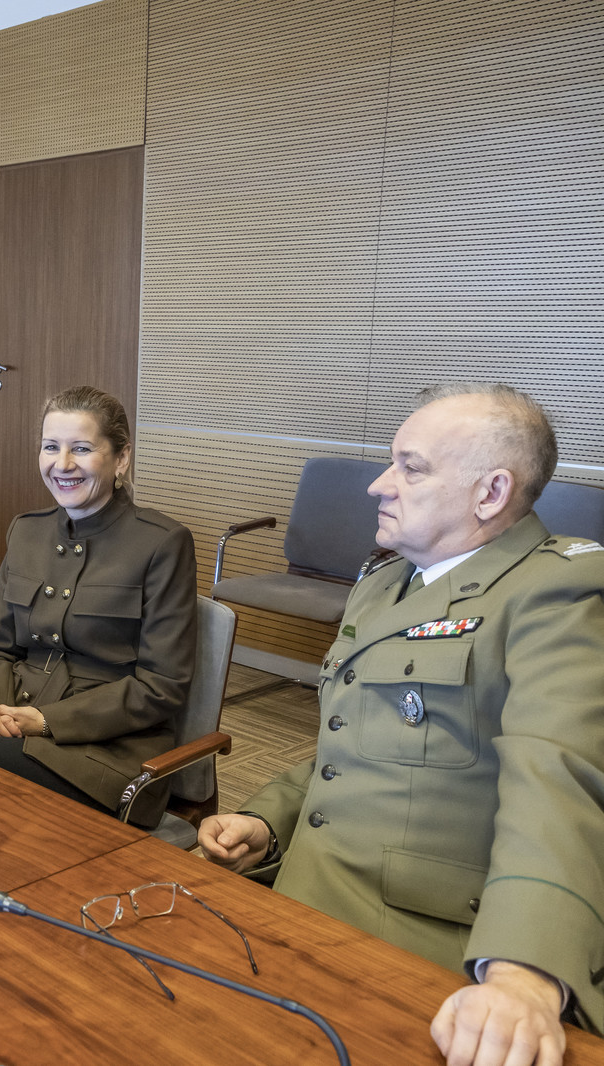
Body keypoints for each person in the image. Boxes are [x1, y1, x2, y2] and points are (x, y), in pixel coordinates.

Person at [198, 384, 604, 1066]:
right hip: (302, 882)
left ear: (490, 492)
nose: (379, 485)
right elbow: (356, 744)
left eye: (410, 468)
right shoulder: (387, 583)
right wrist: (269, 820)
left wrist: (523, 975)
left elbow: (559, 783)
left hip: (413, 934)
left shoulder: (559, 591)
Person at [0, 386, 197, 826]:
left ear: (121, 458)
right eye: (50, 447)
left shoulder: (161, 543)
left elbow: (161, 687)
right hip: (10, 729)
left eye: (81, 448)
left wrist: (43, 720)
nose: (62, 464)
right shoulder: (26, 531)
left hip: (105, 756)